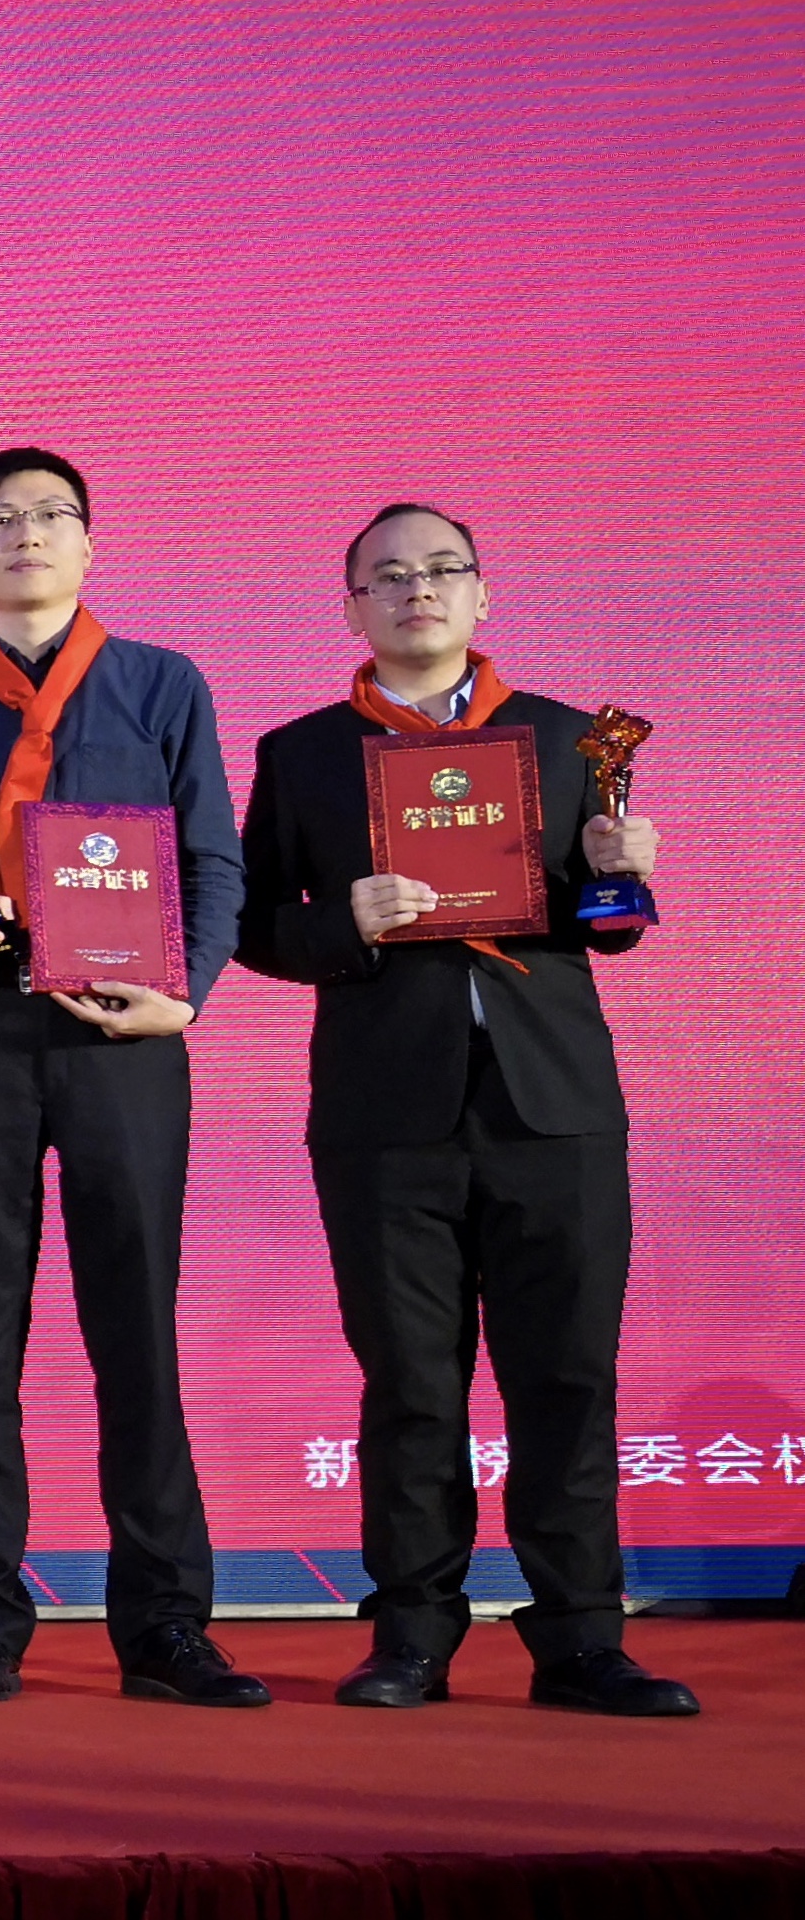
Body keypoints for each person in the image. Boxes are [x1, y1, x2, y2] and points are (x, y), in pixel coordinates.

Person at [233, 504, 693, 1717]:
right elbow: (251, 926)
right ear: (351, 608)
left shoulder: (567, 738)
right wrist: (345, 924)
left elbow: (608, 928)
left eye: (442, 570)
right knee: (410, 1384)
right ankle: (411, 1636)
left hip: (555, 1105)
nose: (416, 590)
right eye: (386, 576)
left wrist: (621, 876)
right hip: (385, 1112)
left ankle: (582, 1640)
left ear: (482, 594)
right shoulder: (303, 753)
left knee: (565, 1377)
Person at [0, 449, 264, 1707]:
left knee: (136, 1324)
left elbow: (213, 856)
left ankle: (164, 1624)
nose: (24, 533)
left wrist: (188, 992)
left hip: (125, 1040)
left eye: (49, 516)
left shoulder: (160, 683)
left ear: (87, 544)